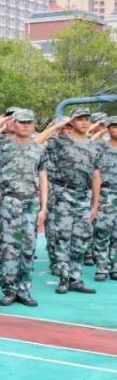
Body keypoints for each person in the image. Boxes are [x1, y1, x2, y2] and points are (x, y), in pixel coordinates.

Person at [0, 109, 47, 307]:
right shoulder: (0, 146)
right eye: (21, 122)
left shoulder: (39, 149)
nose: (25, 125)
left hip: (30, 203)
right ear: (13, 124)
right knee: (6, 249)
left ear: (34, 125)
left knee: (27, 249)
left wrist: (44, 207)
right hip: (7, 203)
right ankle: (9, 289)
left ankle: (24, 289)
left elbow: (43, 178)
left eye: (29, 122)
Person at [36, 108, 102, 294]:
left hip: (83, 197)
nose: (84, 122)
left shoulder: (94, 146)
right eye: (79, 119)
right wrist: (58, 124)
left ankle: (76, 278)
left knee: (80, 240)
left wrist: (95, 205)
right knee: (63, 238)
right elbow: (36, 142)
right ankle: (65, 278)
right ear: (71, 122)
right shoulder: (59, 141)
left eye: (86, 119)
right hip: (62, 196)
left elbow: (96, 177)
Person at [93, 117, 117, 282]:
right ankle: (102, 267)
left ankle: (115, 266)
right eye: (114, 126)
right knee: (102, 231)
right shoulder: (100, 147)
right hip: (106, 194)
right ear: (108, 129)